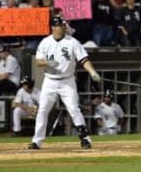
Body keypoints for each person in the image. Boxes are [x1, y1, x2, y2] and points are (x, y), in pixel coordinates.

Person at [29, 15, 101, 150]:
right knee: (43, 110)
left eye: (63, 25)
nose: (62, 27)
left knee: (74, 109)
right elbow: (38, 61)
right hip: (50, 81)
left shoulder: (72, 42)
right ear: (53, 27)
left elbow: (84, 60)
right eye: (59, 25)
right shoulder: (45, 42)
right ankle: (36, 141)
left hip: (67, 81)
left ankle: (85, 138)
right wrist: (47, 62)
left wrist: (92, 72)